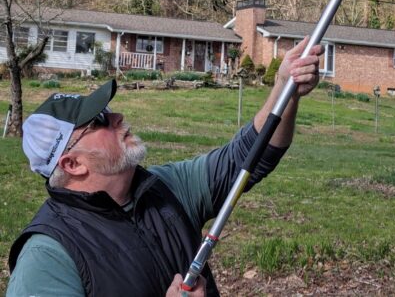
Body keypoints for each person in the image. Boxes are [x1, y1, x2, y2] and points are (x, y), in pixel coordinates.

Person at [7, 37, 323, 297]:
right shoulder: (47, 257)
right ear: (72, 163)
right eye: (99, 120)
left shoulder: (163, 188)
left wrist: (285, 90)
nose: (117, 118)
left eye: (110, 110)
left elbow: (247, 158)